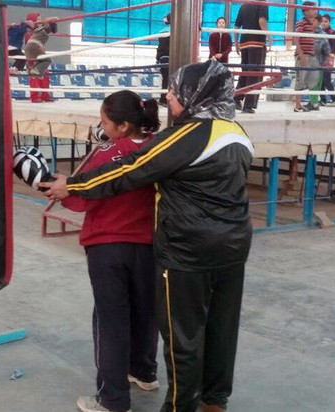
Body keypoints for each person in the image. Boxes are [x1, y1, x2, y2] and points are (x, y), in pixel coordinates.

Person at [40, 60, 254, 412]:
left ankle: (178, 406)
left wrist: (73, 184)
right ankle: (214, 401)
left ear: (195, 94)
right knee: (221, 329)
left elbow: (131, 169)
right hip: (233, 247)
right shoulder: (236, 132)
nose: (169, 95)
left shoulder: (188, 135)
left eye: (176, 89)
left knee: (180, 337)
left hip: (188, 252)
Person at [69, 91, 161, 412]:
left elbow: (79, 197)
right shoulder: (158, 147)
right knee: (145, 312)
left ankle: (112, 399)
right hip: (150, 246)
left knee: (111, 320)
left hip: (108, 247)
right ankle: (145, 370)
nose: (102, 127)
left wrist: (53, 184)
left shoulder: (109, 151)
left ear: (122, 126)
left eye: (106, 122)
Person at [234, 0, 271, 113]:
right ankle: (248, 105)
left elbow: (236, 26)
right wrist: (269, 36)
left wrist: (236, 44)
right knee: (255, 74)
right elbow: (262, 21)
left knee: (245, 72)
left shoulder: (244, 5)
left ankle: (236, 98)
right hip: (257, 42)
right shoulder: (262, 3)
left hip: (244, 43)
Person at [23, 12, 58, 103]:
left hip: (39, 52)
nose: (39, 21)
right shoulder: (29, 32)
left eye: (40, 19)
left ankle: (45, 95)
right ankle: (34, 97)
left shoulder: (38, 29)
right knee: (34, 76)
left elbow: (48, 29)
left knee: (45, 74)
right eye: (38, 19)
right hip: (33, 55)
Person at [294, 2, 319, 112]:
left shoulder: (313, 26)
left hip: (312, 56)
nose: (315, 11)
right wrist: (301, 54)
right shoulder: (301, 23)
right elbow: (296, 38)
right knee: (300, 80)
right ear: (306, 11)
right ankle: (297, 105)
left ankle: (312, 102)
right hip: (303, 55)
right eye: (313, 9)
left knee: (313, 80)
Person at [306, 14, 331, 111]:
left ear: (319, 22)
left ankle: (314, 103)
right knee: (311, 84)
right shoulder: (307, 32)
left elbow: (327, 50)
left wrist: (326, 61)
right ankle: (313, 102)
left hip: (318, 62)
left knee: (316, 84)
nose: (312, 22)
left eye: (314, 20)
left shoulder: (322, 35)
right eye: (311, 19)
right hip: (308, 62)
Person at [320, 14, 335, 107]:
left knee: (326, 80)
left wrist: (328, 56)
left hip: (328, 59)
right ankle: (323, 100)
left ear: (329, 22)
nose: (323, 23)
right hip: (319, 59)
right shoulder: (319, 33)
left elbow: (334, 48)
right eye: (322, 21)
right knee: (320, 80)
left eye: (326, 21)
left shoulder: (334, 32)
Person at [156, 13, 171, 106]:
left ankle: (163, 99)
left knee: (165, 79)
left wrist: (158, 59)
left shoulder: (162, 31)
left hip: (163, 58)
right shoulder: (176, 31)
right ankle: (169, 99)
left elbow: (160, 48)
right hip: (172, 57)